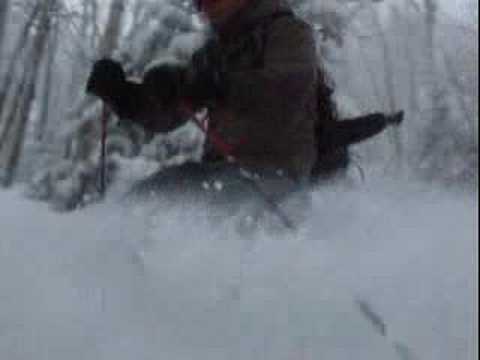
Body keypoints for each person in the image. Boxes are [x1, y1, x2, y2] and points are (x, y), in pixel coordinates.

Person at [86, 0, 402, 222]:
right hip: (222, 174)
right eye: (200, 1)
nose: (206, 8)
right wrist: (123, 95)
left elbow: (286, 91)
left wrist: (220, 85)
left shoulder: (288, 32)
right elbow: (167, 115)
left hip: (275, 177)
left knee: (175, 195)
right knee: (151, 195)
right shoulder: (212, 54)